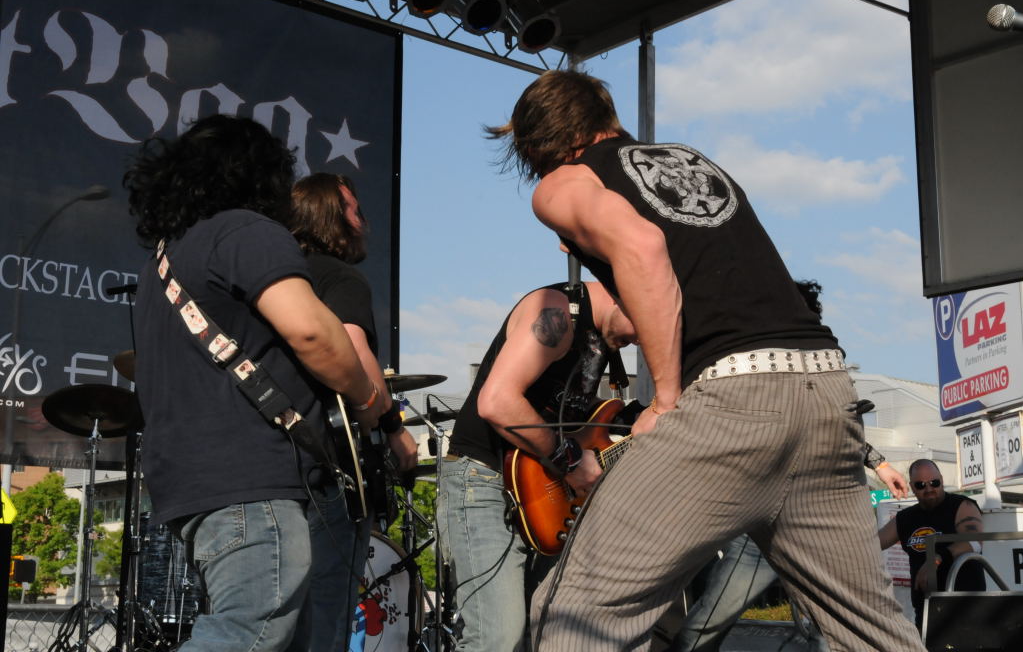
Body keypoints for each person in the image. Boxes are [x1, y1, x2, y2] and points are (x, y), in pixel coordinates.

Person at [487, 69, 925, 651]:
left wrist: (666, 400)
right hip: (825, 388)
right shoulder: (690, 160)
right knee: (870, 628)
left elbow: (642, 247)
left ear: (543, 142)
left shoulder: (564, 181)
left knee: (575, 615)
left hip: (731, 398)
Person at [126, 115, 385, 651]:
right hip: (252, 477)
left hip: (191, 481)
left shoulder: (165, 261)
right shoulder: (245, 230)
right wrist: (368, 398)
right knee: (251, 630)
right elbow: (313, 333)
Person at [669, 280, 911, 652]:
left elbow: (833, 422)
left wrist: (880, 465)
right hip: (762, 519)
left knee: (830, 630)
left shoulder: (822, 364)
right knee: (708, 624)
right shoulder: (746, 362)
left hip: (818, 519)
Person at [438, 279, 636, 652]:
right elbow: (497, 402)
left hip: (544, 497)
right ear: (627, 293)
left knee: (549, 633)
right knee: (496, 639)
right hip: (485, 481)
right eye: (645, 322)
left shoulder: (605, 337)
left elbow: (572, 420)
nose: (642, 339)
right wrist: (570, 461)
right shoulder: (557, 311)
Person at [286, 172, 419, 651]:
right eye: (355, 210)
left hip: (277, 465)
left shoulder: (280, 280)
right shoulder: (340, 278)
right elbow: (354, 358)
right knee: (328, 610)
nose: (363, 221)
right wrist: (394, 426)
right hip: (330, 470)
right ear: (333, 216)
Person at [878, 459, 985, 631]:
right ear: (912, 487)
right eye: (920, 485)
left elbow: (975, 541)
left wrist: (935, 559)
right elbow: (871, 544)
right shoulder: (905, 518)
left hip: (966, 608)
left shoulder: (962, 505)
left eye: (934, 483)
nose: (929, 489)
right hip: (927, 612)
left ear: (941, 480)